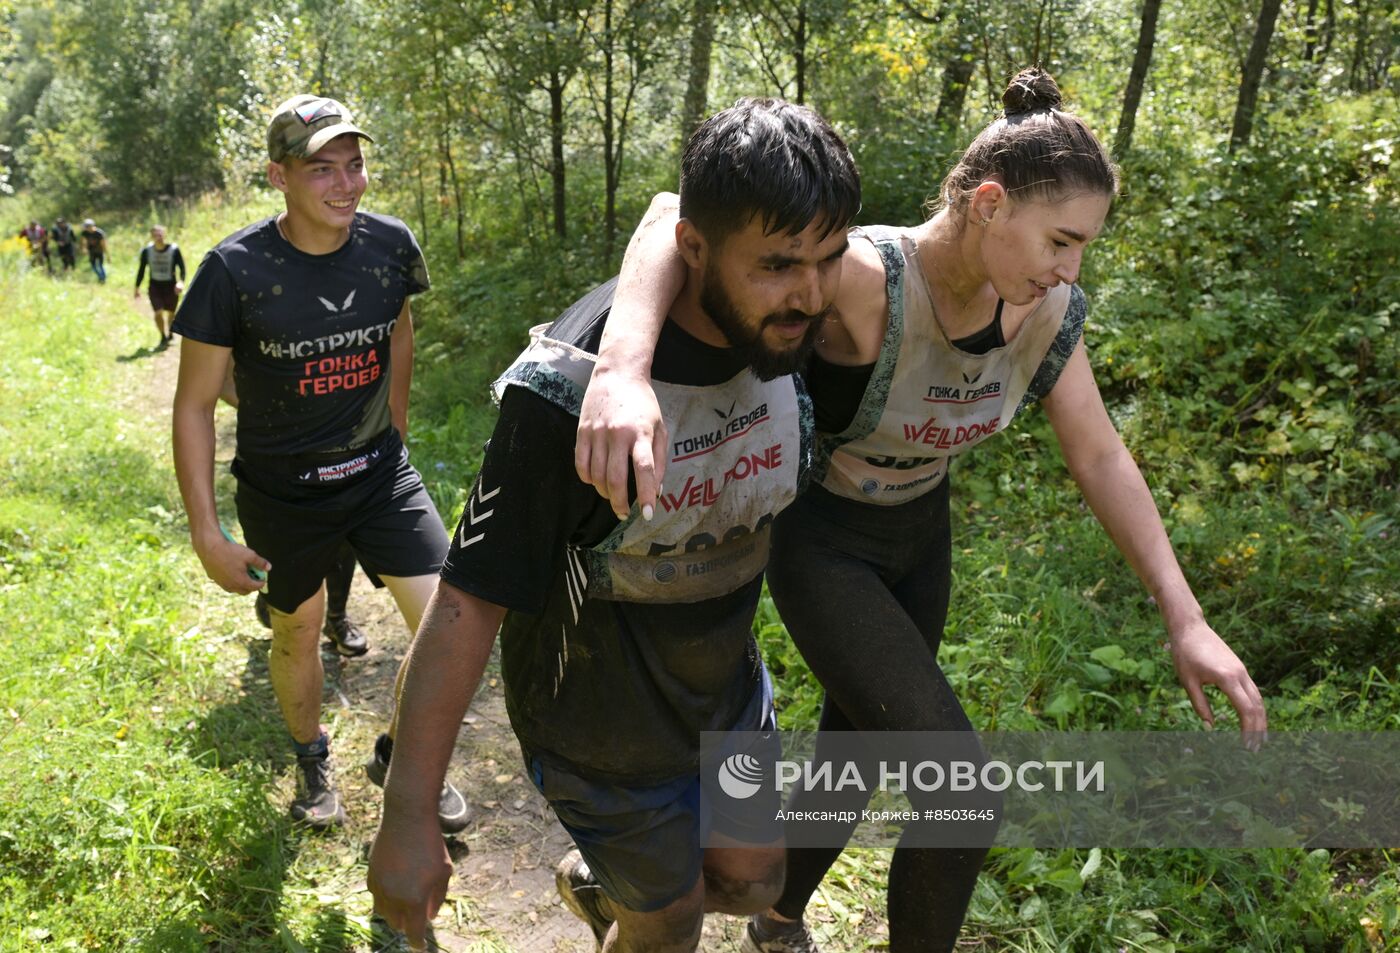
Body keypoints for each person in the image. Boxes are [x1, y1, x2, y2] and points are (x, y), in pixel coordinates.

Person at [573, 68, 1268, 953]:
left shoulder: (1049, 312)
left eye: (1083, 246)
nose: (1071, 266)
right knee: (964, 796)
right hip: (824, 545)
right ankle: (648, 892)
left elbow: (1100, 453)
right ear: (988, 204)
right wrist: (623, 367)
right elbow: (673, 219)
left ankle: (768, 919)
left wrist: (1187, 616)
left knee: (855, 757)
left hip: (918, 540)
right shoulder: (866, 278)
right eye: (1061, 239)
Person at [366, 98, 862, 953]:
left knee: (753, 882)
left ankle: (609, 893)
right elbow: (465, 605)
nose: (811, 294)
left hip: (728, 702)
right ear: (697, 253)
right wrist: (408, 815)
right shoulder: (568, 391)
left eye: (828, 259)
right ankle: (639, 906)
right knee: (668, 926)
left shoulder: (800, 321)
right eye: (780, 265)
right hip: (596, 726)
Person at [171, 94, 468, 833]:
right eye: (322, 169)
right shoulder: (232, 271)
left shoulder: (390, 245)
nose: (346, 184)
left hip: (378, 474)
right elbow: (194, 405)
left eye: (356, 164)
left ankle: (405, 756)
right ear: (278, 175)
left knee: (451, 624)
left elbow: (398, 330)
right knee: (297, 632)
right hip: (282, 493)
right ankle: (312, 758)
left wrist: (394, 431)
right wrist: (207, 534)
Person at [217, 362, 372, 656]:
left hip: (340, 447)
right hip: (274, 456)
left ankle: (337, 620)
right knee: (278, 538)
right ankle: (275, 596)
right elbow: (220, 380)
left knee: (344, 536)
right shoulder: (248, 316)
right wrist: (282, 416)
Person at [134, 225, 187, 348]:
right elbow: (141, 270)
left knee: (171, 313)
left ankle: (170, 333)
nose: (159, 237)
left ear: (165, 234)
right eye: (156, 234)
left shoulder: (174, 249)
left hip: (171, 286)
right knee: (158, 312)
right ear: (151, 236)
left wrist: (181, 281)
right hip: (155, 286)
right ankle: (163, 336)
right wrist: (136, 288)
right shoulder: (147, 251)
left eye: (161, 234)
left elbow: (182, 268)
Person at [81, 218, 107, 282]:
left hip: (99, 251)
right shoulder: (85, 233)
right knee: (94, 267)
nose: (87, 228)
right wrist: (84, 248)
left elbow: (103, 244)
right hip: (91, 252)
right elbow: (84, 241)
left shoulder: (99, 233)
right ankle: (100, 277)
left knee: (100, 266)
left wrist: (106, 253)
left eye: (87, 227)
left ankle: (103, 278)